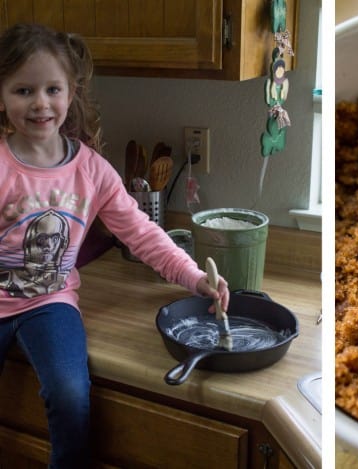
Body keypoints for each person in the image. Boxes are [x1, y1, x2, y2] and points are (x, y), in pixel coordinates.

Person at [0, 23, 230, 468]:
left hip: (50, 305)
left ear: (71, 94)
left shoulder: (94, 172)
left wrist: (195, 277)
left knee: (69, 394)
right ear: (3, 95)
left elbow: (142, 233)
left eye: (53, 89)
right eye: (23, 90)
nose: (40, 103)